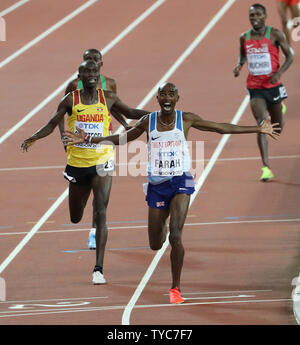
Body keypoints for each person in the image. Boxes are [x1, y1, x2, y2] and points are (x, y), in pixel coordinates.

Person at [63, 82, 281, 304]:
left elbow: (219, 127)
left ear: (177, 98)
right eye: (163, 94)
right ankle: (164, 221)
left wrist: (257, 128)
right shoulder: (148, 121)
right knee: (155, 244)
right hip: (157, 187)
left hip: (181, 181)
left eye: (171, 94)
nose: (167, 98)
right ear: (157, 98)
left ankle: (175, 288)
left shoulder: (185, 119)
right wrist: (90, 139)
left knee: (176, 236)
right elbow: (122, 138)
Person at [21, 60, 149, 285]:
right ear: (79, 76)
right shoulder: (70, 100)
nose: (91, 74)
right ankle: (83, 205)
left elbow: (130, 112)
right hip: (78, 163)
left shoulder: (107, 97)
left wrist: (157, 116)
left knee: (101, 211)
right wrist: (34, 137)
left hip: (102, 160)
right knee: (75, 217)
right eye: (86, 71)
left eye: (94, 71)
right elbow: (52, 123)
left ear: (99, 74)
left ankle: (98, 268)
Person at [58, 48, 131, 250]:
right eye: (87, 59)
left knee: (100, 199)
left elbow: (113, 108)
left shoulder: (110, 84)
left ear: (101, 63)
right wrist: (63, 138)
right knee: (83, 197)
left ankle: (93, 232)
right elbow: (61, 111)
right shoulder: (74, 85)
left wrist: (125, 125)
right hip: (80, 146)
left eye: (95, 59)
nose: (92, 62)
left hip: (101, 143)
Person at [233, 3, 293, 181]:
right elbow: (243, 54)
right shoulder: (244, 37)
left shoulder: (275, 34)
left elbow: (290, 56)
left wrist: (278, 73)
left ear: (265, 16)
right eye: (252, 16)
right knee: (262, 125)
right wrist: (239, 65)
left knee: (276, 130)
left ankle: (279, 107)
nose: (255, 19)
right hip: (255, 88)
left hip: (273, 86)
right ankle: (266, 167)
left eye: (258, 15)